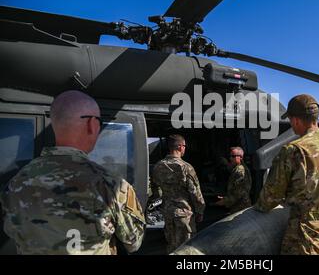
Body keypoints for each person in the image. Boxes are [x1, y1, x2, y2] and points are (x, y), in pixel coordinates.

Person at [0, 90, 145, 255]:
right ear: (92, 124)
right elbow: (134, 241)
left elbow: (12, 231)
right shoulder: (111, 185)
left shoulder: (15, 183)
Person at [254, 94, 319, 255]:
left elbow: (269, 198)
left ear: (296, 120)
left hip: (308, 243)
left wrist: (258, 208)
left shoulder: (293, 150)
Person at [151, 134, 205, 253]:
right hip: (184, 215)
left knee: (172, 245)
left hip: (168, 213)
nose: (185, 148)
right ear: (180, 147)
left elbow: (155, 190)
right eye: (184, 146)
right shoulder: (186, 167)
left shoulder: (158, 166)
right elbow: (195, 193)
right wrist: (200, 211)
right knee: (187, 248)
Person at [215, 147, 252, 214]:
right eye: (230, 156)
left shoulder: (240, 171)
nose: (230, 158)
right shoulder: (237, 169)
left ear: (240, 157)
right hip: (237, 206)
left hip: (241, 208)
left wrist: (225, 201)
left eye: (233, 156)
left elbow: (239, 193)